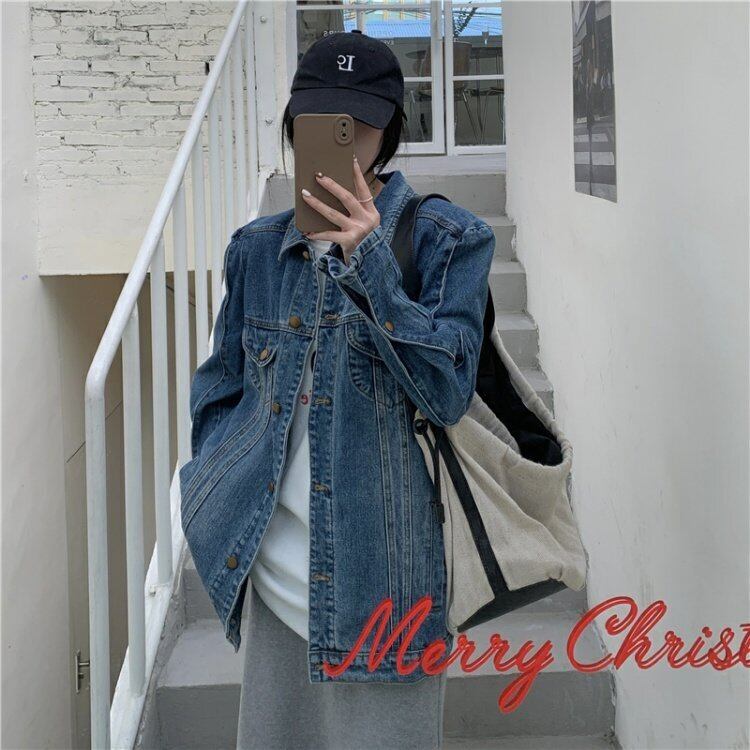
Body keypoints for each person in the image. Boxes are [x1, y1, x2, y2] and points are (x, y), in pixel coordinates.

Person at [179, 29, 496, 750]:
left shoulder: (450, 239)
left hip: (386, 593)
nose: (341, 141)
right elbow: (220, 389)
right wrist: (212, 486)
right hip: (271, 579)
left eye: (360, 124)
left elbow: (448, 391)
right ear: (296, 126)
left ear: (389, 133)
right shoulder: (257, 249)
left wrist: (371, 260)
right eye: (324, 121)